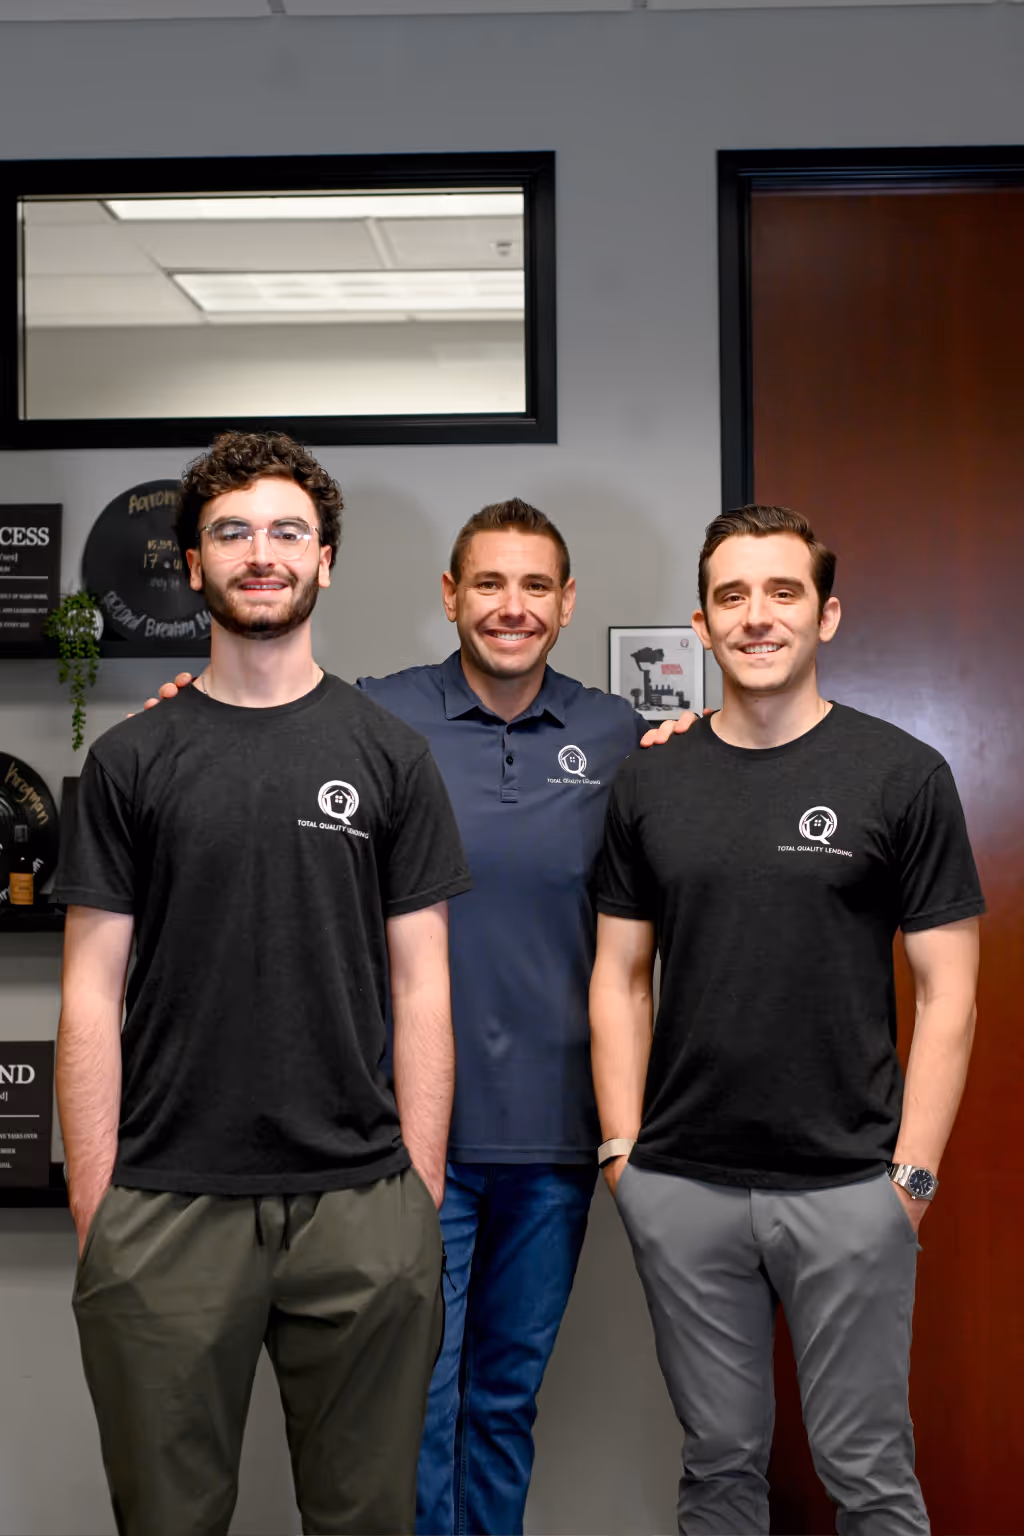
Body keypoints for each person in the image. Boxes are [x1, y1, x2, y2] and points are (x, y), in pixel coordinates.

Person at [147, 494, 697, 1536]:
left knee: (502, 1398)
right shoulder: (373, 716)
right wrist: (187, 702)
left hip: (555, 1136)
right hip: (403, 1135)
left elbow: (705, 815)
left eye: (535, 585)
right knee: (410, 1403)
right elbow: (253, 731)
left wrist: (702, 737)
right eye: (488, 582)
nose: (511, 606)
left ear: (567, 602)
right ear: (450, 596)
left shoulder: (619, 737)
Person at [54, 432, 471, 1536]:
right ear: (193, 565)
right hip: (163, 1205)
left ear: (325, 559)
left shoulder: (389, 755)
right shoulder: (132, 763)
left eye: (288, 531)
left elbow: (424, 986)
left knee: (366, 1519)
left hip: (360, 1205)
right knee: (167, 1521)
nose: (261, 553)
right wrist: (97, 1203)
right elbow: (90, 991)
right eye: (231, 532)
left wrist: (416, 1197)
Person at [591, 504, 984, 1535]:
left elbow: (950, 991)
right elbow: (619, 975)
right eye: (731, 596)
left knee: (868, 1473)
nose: (756, 616)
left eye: (782, 592)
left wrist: (912, 1177)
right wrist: (624, 1152)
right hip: (682, 1185)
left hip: (850, 1185)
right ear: (701, 622)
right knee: (718, 1470)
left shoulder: (900, 776)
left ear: (827, 615)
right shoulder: (651, 778)